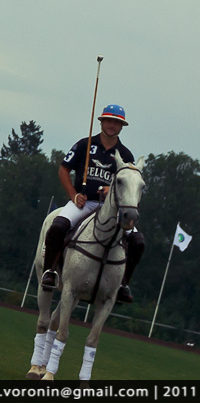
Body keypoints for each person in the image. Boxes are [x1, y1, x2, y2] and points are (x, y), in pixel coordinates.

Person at [40, 104, 146, 303]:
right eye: (109, 121)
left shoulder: (126, 155)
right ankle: (50, 271)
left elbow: (129, 185)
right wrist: (73, 195)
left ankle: (123, 284)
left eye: (117, 122)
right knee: (58, 226)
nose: (112, 125)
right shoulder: (84, 145)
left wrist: (110, 189)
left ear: (122, 126)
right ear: (101, 122)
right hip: (84, 203)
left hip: (111, 210)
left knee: (138, 242)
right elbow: (64, 170)